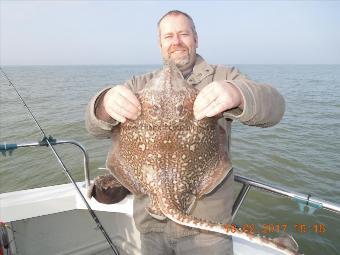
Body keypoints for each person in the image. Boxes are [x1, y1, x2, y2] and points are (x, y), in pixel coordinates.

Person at [85, 10, 285, 255]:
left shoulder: (222, 76)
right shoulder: (138, 85)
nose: (176, 42)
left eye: (183, 34)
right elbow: (93, 127)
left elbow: (275, 108)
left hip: (206, 234)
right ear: (160, 44)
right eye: (168, 36)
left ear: (196, 39)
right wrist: (104, 103)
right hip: (150, 229)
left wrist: (236, 93)